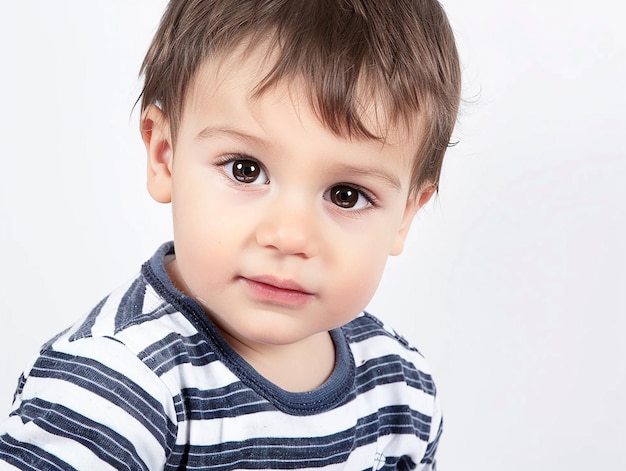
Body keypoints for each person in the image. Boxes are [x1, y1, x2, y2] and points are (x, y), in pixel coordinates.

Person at [0, 0, 460, 469]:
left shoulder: (400, 388)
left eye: (346, 195)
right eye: (245, 170)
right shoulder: (115, 386)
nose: (288, 235)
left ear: (404, 216)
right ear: (165, 155)